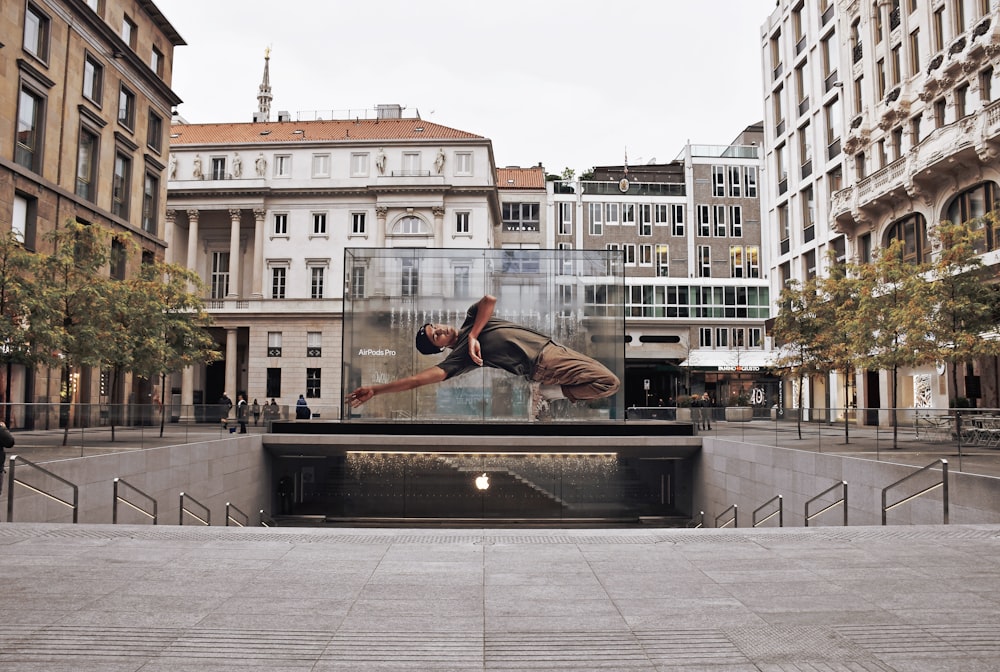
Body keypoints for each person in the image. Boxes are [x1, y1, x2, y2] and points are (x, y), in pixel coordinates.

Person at [346, 294, 620, 421]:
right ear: (440, 348)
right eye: (436, 336)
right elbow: (417, 381)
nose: (440, 329)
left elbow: (489, 300)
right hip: (542, 362)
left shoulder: (470, 320)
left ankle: (548, 392)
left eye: (435, 326)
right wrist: (377, 389)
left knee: (606, 381)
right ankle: (548, 392)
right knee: (608, 382)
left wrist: (475, 335)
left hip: (552, 349)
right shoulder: (460, 358)